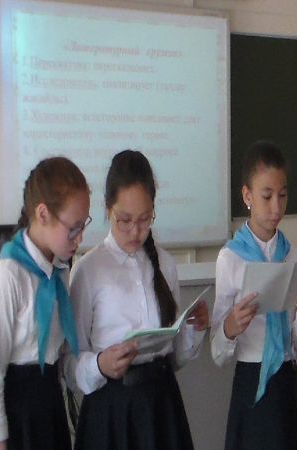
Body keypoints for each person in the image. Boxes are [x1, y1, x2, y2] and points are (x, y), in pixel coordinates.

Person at [67, 150, 208, 450]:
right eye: (124, 220)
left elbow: (175, 358)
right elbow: (69, 365)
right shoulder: (89, 270)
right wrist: (100, 365)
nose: (135, 231)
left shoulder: (165, 264)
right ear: (108, 210)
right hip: (111, 411)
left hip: (161, 406)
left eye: (144, 220)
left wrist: (194, 329)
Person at [211, 141, 297, 450]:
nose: (276, 207)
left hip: (284, 379)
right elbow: (218, 354)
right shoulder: (231, 258)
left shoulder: (292, 256)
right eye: (267, 196)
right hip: (251, 380)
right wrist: (230, 328)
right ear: (247, 196)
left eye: (283, 195)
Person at [0, 157, 91, 450]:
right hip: (16, 419)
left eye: (84, 226)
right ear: (42, 214)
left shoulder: (58, 272)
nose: (80, 238)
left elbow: (59, 354)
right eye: (74, 228)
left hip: (49, 411)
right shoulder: (8, 278)